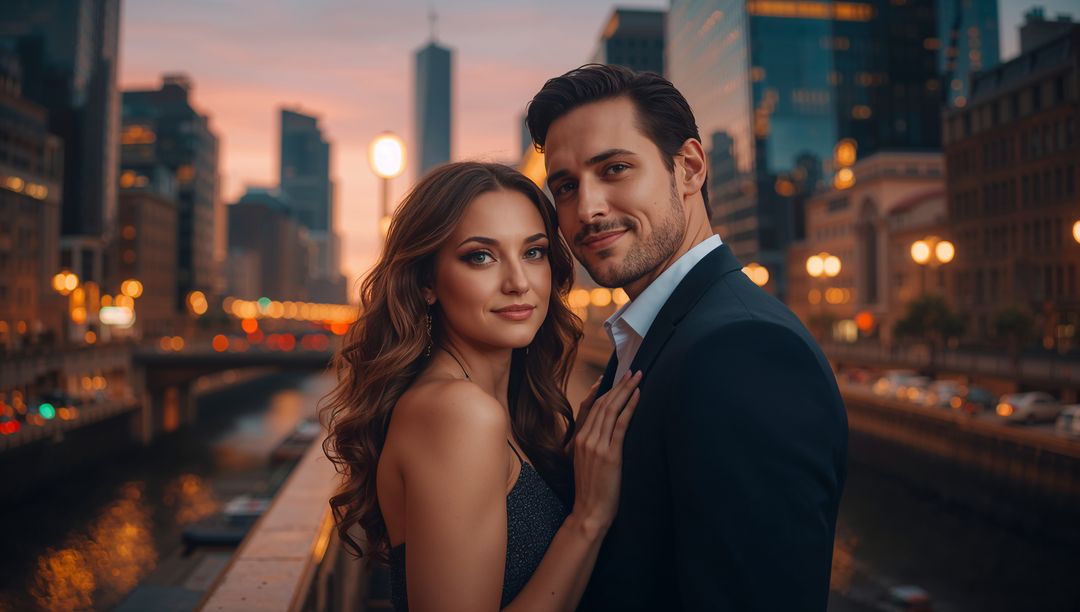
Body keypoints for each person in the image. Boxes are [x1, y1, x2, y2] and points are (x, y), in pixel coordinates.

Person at [525, 64, 849, 610]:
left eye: (615, 168)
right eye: (566, 186)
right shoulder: (658, 334)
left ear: (690, 169)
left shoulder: (744, 350)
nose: (588, 208)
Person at [321, 161, 641, 611]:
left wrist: (570, 469)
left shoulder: (494, 406)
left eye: (534, 252)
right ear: (427, 281)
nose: (518, 283)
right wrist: (587, 518)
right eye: (481, 257)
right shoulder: (458, 412)